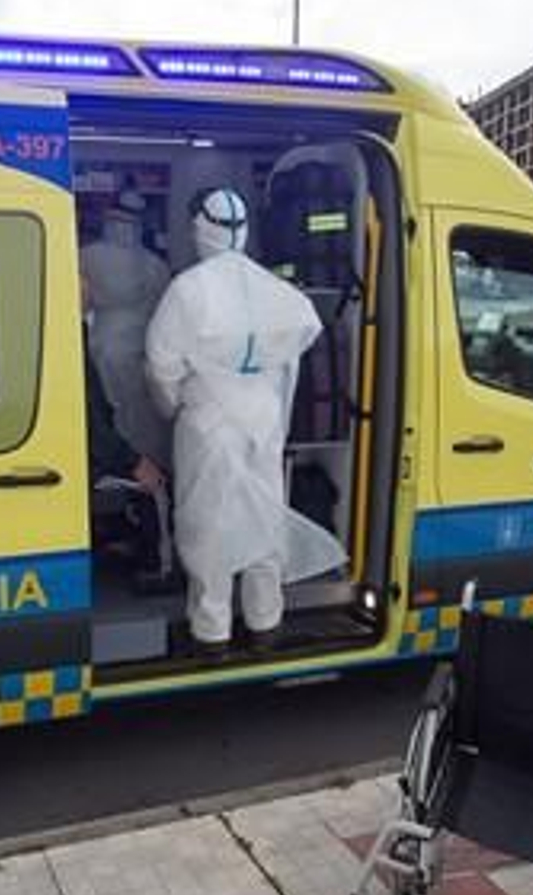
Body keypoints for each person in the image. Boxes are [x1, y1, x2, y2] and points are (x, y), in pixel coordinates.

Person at [146, 188, 346, 653]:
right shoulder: (278, 291)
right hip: (264, 420)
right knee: (263, 521)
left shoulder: (188, 289)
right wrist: (273, 413)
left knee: (207, 526)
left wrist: (172, 406)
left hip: (208, 423)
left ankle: (212, 634)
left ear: (199, 228)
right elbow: (292, 362)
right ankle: (264, 624)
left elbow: (161, 365)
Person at [81, 272, 172, 590]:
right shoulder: (80, 343)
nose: (87, 287)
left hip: (86, 449)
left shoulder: (83, 335)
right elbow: (92, 424)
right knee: (155, 486)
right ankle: (159, 571)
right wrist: (132, 462)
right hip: (87, 460)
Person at [80, 189, 172, 469]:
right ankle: (147, 467)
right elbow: (164, 312)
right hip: (143, 348)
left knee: (108, 410)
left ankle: (121, 465)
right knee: (141, 415)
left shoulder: (85, 256)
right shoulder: (157, 264)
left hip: (101, 345)